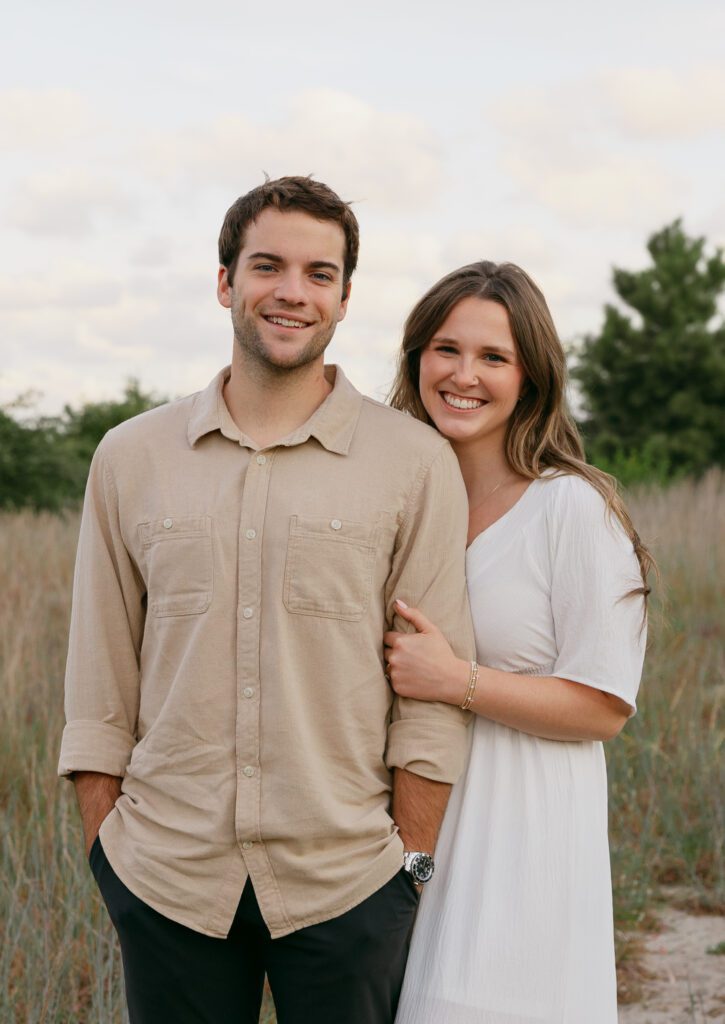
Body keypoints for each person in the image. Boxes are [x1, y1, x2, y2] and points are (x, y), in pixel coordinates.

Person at [58, 176, 475, 1024]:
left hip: (350, 883)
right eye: (267, 266)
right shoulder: (130, 456)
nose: (292, 291)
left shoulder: (414, 462)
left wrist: (411, 868)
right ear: (225, 282)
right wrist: (109, 850)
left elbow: (431, 698)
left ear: (346, 298)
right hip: (167, 878)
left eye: (320, 273)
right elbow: (98, 674)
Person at [386, 260, 653, 1024]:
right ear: (416, 359)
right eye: (445, 349)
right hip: (399, 842)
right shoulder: (400, 501)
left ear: (530, 375)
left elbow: (604, 705)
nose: (464, 374)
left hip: (520, 842)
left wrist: (455, 680)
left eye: (493, 357)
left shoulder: (571, 507)